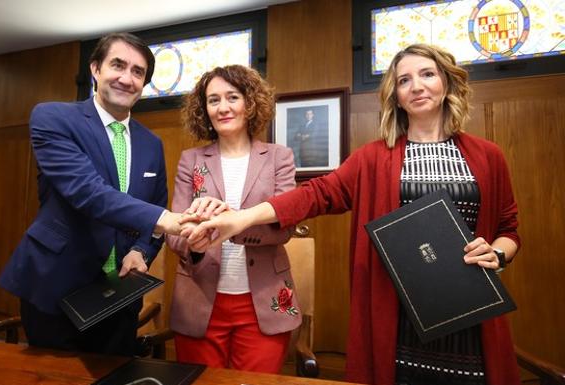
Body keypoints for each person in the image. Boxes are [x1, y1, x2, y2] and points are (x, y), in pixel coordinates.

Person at [185, 44, 521, 385]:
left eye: (427, 74)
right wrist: (243, 218)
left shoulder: (488, 156)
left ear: (447, 83)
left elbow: (509, 229)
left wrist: (496, 253)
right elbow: (314, 194)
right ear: (396, 96)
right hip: (394, 314)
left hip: (469, 313)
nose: (416, 86)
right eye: (404, 80)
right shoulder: (372, 158)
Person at [0, 32, 185, 356]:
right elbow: (88, 192)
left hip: (121, 294)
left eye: (138, 72)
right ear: (95, 69)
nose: (127, 78)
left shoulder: (151, 143)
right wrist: (169, 221)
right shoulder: (53, 117)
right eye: (118, 65)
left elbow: (154, 204)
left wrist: (142, 250)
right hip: (56, 287)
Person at [166, 64, 301, 373]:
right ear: (204, 110)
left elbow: (285, 225)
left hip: (263, 301)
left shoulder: (279, 157)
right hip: (199, 300)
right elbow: (175, 231)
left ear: (250, 103)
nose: (223, 108)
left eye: (232, 97)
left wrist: (231, 224)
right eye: (214, 100)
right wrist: (197, 243)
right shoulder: (191, 160)